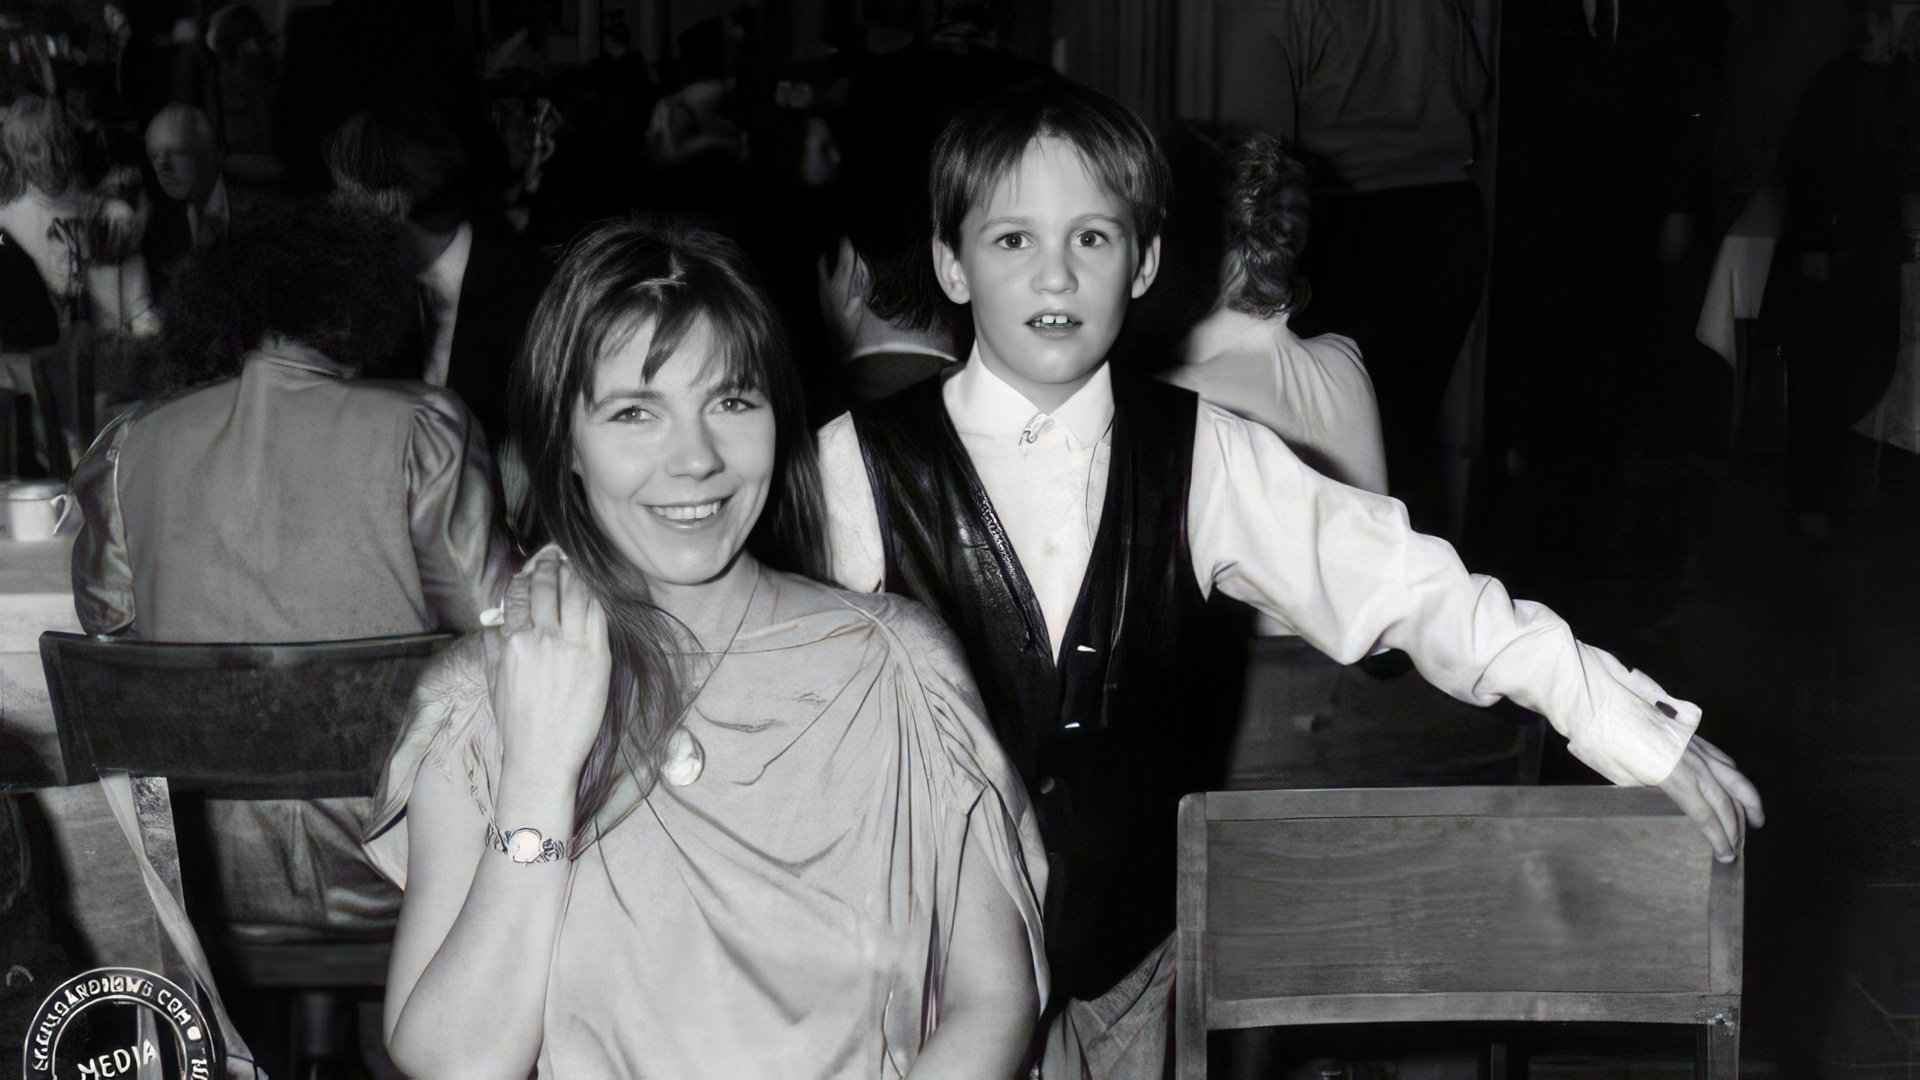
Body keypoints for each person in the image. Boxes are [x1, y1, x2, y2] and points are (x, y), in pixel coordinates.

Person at [815, 78, 1763, 1041]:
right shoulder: (852, 466)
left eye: (1091, 238)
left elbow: (1414, 587)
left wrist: (1619, 719)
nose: (1054, 276)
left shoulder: (1207, 455)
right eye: (1013, 238)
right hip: (921, 974)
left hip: (1128, 973)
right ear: (951, 262)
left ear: (1144, 262)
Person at [365, 218, 1046, 1078]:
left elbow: (996, 998)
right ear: (563, 440)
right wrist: (538, 772)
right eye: (635, 412)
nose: (696, 460)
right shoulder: (482, 698)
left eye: (731, 402)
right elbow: (458, 1063)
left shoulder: (898, 669)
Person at [1165, 131, 1387, 497]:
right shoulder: (1340, 358)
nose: (1283, 226)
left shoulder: (1177, 392)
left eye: (1296, 210)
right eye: (1274, 210)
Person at [326, 100, 553, 453]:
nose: (340, 215)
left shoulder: (536, 289)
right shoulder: (368, 293)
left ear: (386, 205)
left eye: (347, 197)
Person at [141, 102, 230, 291]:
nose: (163, 167)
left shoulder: (259, 213)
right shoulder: (159, 220)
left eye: (178, 152)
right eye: (154, 156)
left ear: (211, 153)